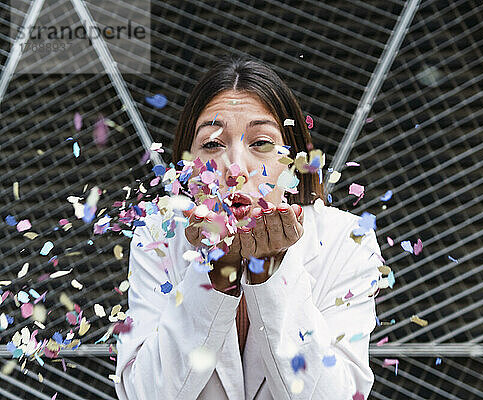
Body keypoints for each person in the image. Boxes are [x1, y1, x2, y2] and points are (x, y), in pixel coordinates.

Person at [115, 56, 383, 400]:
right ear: (185, 166)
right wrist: (216, 272)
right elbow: (143, 393)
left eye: (261, 143)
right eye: (212, 144)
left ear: (294, 159)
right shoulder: (158, 237)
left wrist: (271, 276)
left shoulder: (345, 241)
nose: (235, 168)